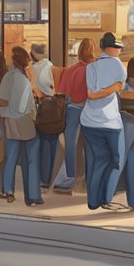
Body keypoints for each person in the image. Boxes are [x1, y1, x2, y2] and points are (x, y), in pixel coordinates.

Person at [81, 32, 127, 211]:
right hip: (110, 122)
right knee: (116, 160)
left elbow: (91, 94)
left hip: (89, 121)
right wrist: (113, 88)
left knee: (99, 160)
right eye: (116, 47)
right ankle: (107, 198)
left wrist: (103, 90)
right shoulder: (116, 64)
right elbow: (120, 86)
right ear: (108, 48)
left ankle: (93, 201)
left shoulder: (91, 67)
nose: (119, 50)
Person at [0, 46, 43, 206]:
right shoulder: (26, 78)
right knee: (31, 158)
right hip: (25, 121)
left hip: (10, 121)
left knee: (11, 157)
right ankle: (33, 195)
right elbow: (24, 106)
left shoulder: (9, 76)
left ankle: (8, 190)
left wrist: (7, 105)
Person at [52, 38, 95, 193]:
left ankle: (69, 177)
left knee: (70, 144)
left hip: (73, 110)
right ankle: (90, 177)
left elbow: (62, 93)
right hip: (91, 111)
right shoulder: (95, 69)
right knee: (91, 144)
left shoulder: (70, 70)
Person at [29, 43, 60, 188]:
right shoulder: (50, 67)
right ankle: (49, 178)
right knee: (51, 143)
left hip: (37, 110)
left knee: (40, 144)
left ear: (34, 52)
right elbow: (52, 88)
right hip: (50, 110)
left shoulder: (32, 69)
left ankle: (41, 177)